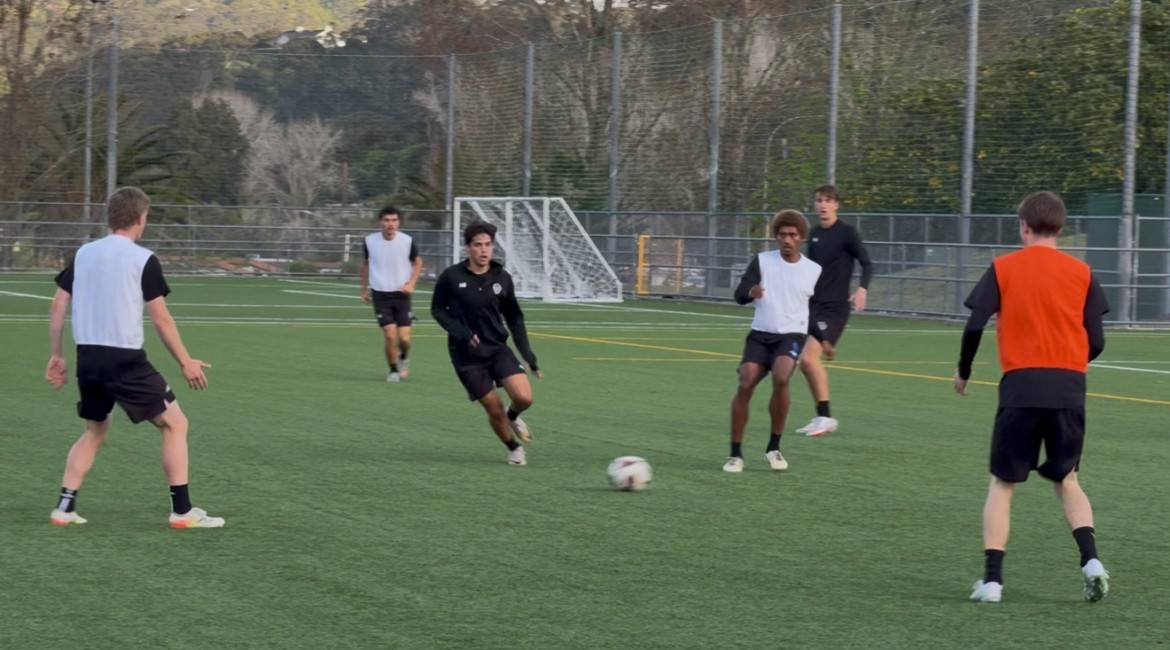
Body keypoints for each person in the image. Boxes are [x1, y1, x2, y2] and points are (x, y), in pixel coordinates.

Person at [955, 191, 1109, 604]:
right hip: (1069, 387)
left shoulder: (1004, 268)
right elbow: (1096, 340)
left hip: (1021, 386)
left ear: (1023, 226)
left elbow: (974, 324)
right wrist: (1072, 364)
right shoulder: (1082, 272)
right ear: (1060, 227)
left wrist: (964, 370)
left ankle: (992, 583)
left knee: (1003, 483)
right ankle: (1091, 562)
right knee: (1068, 479)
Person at [44, 187, 224, 529]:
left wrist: (57, 356)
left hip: (88, 359)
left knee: (96, 428)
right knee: (175, 423)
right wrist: (186, 360)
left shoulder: (84, 254)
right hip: (125, 360)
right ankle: (182, 512)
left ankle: (64, 507)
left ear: (111, 217)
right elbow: (161, 319)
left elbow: (57, 304)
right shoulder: (143, 259)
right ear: (141, 219)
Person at [431, 221, 543, 466]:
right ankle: (513, 449)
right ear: (467, 248)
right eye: (478, 245)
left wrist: (528, 353)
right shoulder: (451, 277)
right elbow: (438, 310)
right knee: (493, 406)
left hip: (497, 348)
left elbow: (514, 317)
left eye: (488, 245)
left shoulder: (502, 278)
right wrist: (461, 332)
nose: (484, 250)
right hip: (466, 355)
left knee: (524, 398)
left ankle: (513, 417)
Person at [723, 209, 825, 473]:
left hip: (791, 335)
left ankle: (773, 448)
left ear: (801, 237)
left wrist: (823, 338)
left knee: (782, 376)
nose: (787, 239)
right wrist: (751, 292)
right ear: (776, 236)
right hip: (760, 334)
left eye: (792, 234)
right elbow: (739, 294)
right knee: (745, 381)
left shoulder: (813, 270)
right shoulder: (762, 261)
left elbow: (813, 308)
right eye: (782, 234)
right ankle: (735, 454)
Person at [795, 184, 872, 437]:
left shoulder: (847, 233)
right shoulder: (815, 234)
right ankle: (821, 415)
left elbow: (867, 263)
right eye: (819, 200)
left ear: (836, 204)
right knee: (804, 363)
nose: (823, 205)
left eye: (828, 200)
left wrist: (862, 289)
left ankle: (826, 418)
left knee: (808, 358)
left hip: (835, 307)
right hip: (813, 306)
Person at [360, 205, 422, 382]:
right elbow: (365, 265)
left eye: (394, 220)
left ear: (398, 222)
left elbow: (417, 263)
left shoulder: (407, 241)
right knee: (390, 334)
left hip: (402, 295)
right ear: (381, 222)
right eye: (387, 220)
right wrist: (363, 290)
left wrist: (411, 283)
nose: (390, 224)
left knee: (404, 339)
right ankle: (393, 369)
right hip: (380, 295)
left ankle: (403, 359)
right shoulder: (370, 241)